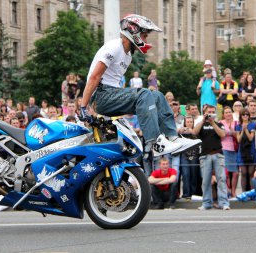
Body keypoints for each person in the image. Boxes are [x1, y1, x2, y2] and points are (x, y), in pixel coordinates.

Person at [80, 14, 200, 157]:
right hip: (101, 96)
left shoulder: (128, 55)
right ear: (133, 33)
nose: (146, 40)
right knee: (144, 93)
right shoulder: (114, 47)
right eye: (144, 35)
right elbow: (94, 76)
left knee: (157, 96)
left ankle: (173, 136)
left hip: (111, 94)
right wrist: (83, 106)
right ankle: (155, 142)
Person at [193, 105, 230, 210]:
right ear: (204, 112)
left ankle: (223, 203)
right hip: (205, 155)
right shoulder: (201, 124)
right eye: (209, 112)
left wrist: (213, 122)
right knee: (205, 181)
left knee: (221, 179)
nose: (211, 113)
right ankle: (206, 203)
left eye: (213, 112)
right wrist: (203, 120)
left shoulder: (219, 124)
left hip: (218, 154)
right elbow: (194, 132)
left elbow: (223, 134)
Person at [236, 108, 256, 192]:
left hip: (251, 150)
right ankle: (244, 193)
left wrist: (245, 129)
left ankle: (252, 193)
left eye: (247, 114)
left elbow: (251, 138)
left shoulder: (253, 124)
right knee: (244, 173)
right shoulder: (238, 126)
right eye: (243, 114)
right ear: (240, 116)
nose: (245, 116)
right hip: (242, 151)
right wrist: (242, 130)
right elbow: (238, 140)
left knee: (251, 173)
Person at [178, 116, 201, 200]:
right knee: (186, 174)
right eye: (187, 122)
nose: (189, 123)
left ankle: (194, 194)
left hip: (194, 155)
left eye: (191, 122)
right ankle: (186, 194)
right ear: (184, 123)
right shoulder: (181, 131)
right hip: (184, 155)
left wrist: (192, 131)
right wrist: (182, 130)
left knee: (194, 175)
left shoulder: (196, 131)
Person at [220, 106, 239, 197]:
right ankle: (227, 190)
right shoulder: (220, 123)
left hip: (235, 149)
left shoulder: (237, 123)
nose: (228, 114)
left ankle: (233, 191)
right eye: (226, 112)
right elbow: (220, 135)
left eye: (229, 112)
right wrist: (228, 133)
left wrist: (232, 132)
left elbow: (239, 137)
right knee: (226, 172)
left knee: (235, 172)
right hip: (224, 148)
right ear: (223, 114)